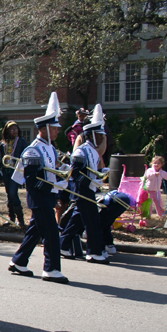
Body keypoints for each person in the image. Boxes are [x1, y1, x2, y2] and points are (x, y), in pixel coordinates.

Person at [9, 92, 70, 284]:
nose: (57, 131)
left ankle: (18, 261)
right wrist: (54, 185)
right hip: (39, 197)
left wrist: (62, 173)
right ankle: (51, 269)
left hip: (47, 195)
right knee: (51, 233)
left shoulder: (50, 148)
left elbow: (49, 171)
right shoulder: (33, 149)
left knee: (35, 231)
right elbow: (31, 179)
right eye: (54, 128)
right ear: (44, 129)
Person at [59, 104, 110, 264]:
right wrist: (89, 183)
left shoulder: (93, 151)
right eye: (100, 136)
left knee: (78, 220)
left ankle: (63, 244)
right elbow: (76, 175)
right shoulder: (81, 151)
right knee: (92, 221)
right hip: (82, 191)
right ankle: (94, 252)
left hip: (89, 189)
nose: (102, 139)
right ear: (92, 135)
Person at [0, 121, 28, 227]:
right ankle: (11, 217)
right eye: (12, 129)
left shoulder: (21, 141)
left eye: (16, 129)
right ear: (7, 131)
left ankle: (20, 219)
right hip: (6, 170)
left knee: (13, 193)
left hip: (16, 170)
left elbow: (25, 155)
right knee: (8, 195)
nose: (14, 131)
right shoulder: (3, 143)